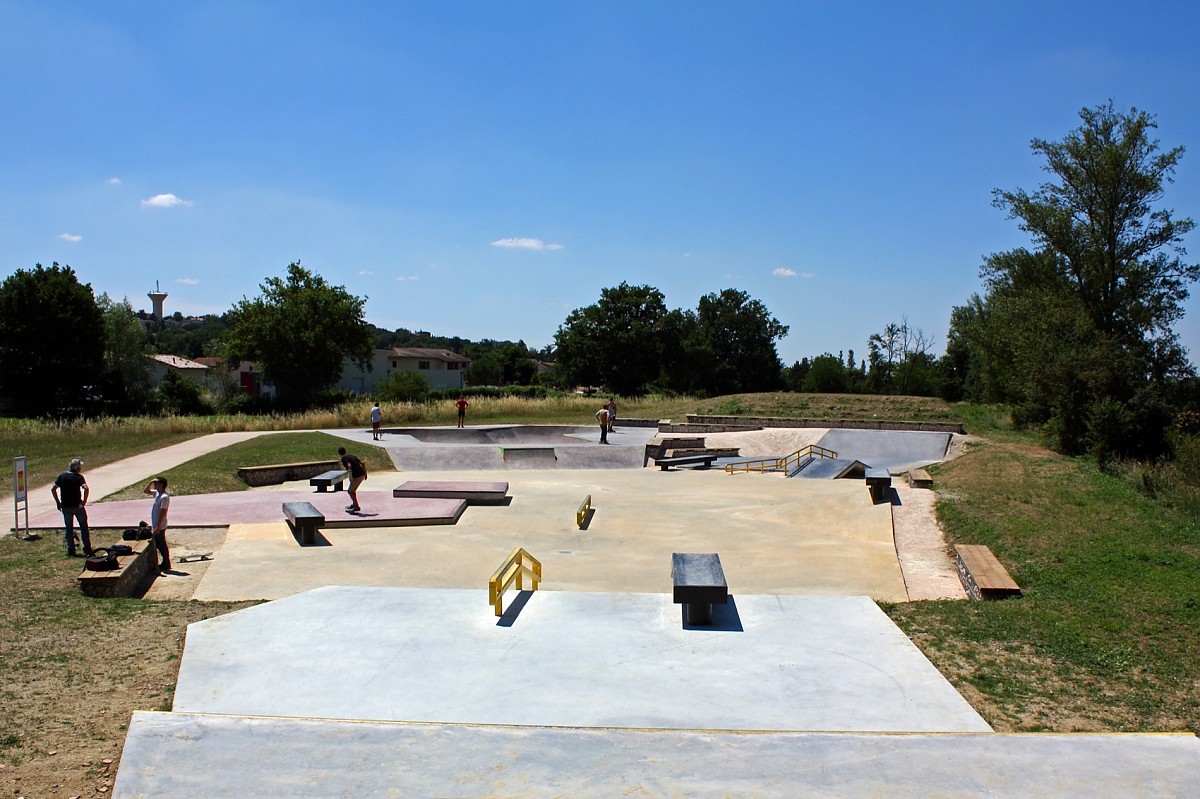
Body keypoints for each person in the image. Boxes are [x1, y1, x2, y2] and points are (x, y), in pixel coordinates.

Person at [51, 459, 92, 557]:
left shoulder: (62, 476)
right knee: (83, 526)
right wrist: (84, 501)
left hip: (65, 506)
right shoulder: (78, 477)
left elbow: (53, 489)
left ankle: (71, 549)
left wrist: (58, 502)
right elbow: (86, 488)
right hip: (77, 505)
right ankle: (87, 548)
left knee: (69, 528)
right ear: (77, 468)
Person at [143, 476, 172, 573]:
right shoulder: (157, 494)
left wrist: (158, 527)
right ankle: (164, 562)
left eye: (157, 483)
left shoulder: (164, 497)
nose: (155, 485)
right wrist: (150, 482)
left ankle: (166, 563)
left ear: (162, 484)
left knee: (161, 544)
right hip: (156, 524)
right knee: (159, 544)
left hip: (160, 525)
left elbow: (163, 512)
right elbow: (146, 491)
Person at [338, 446, 368, 512]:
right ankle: (354, 504)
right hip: (361, 474)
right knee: (352, 490)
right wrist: (365, 473)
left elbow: (349, 466)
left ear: (339, 453)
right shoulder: (351, 456)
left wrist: (350, 474)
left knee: (350, 491)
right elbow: (362, 463)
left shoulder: (344, 458)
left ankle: (356, 507)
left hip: (357, 475)